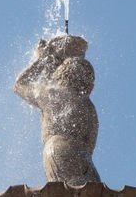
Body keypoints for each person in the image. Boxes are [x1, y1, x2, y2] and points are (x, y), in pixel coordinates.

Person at [14, 35, 100, 186]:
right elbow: (90, 143)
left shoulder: (52, 94)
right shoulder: (88, 106)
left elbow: (20, 85)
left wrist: (42, 60)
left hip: (58, 149)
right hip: (85, 157)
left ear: (63, 73)